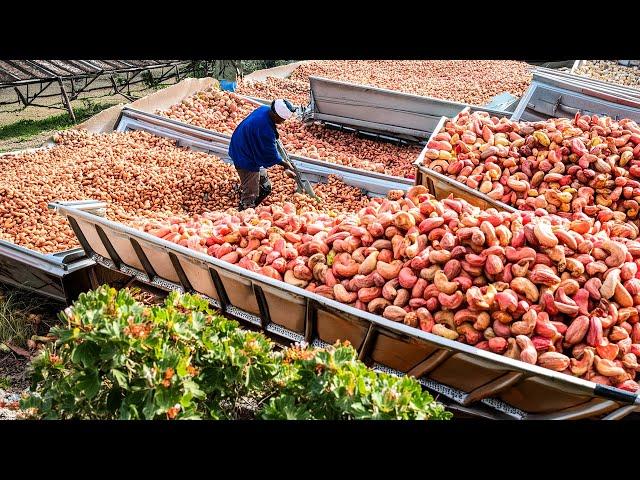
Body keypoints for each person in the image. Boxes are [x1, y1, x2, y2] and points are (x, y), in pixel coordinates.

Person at [228, 98, 297, 210]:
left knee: (266, 187)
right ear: (276, 115)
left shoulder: (264, 109)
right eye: (282, 120)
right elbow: (271, 155)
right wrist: (285, 165)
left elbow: (269, 135)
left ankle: (250, 197)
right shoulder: (265, 130)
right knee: (251, 192)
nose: (282, 122)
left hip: (240, 144)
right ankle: (245, 209)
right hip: (245, 157)